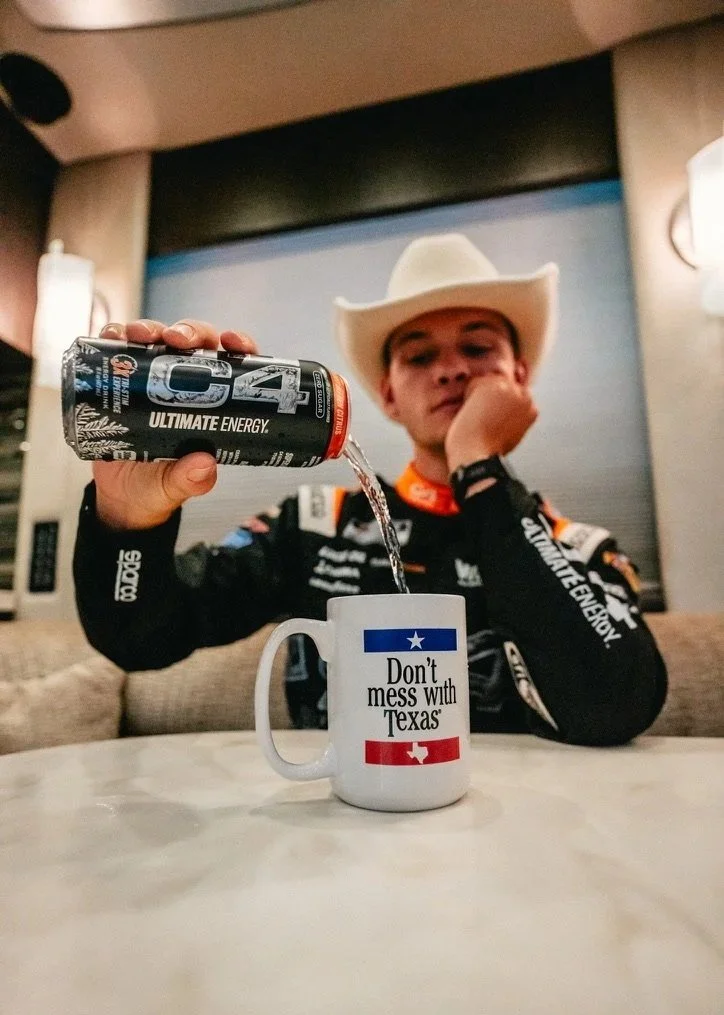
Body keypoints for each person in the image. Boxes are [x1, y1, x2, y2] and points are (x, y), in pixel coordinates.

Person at [73, 233, 667, 745]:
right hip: (344, 838)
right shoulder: (314, 522)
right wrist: (128, 524)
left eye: (478, 347)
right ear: (387, 395)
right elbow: (139, 638)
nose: (452, 369)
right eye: (420, 355)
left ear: (520, 378)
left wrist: (478, 466)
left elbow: (616, 702)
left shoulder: (580, 548)